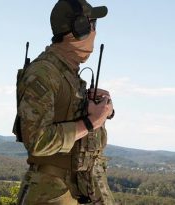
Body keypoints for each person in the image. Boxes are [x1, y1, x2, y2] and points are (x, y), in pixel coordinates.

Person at [14, 0, 115, 204]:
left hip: (72, 189)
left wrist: (104, 112)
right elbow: (37, 142)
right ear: (80, 28)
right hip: (49, 193)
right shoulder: (43, 73)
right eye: (92, 24)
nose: (95, 32)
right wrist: (90, 122)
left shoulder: (67, 72)